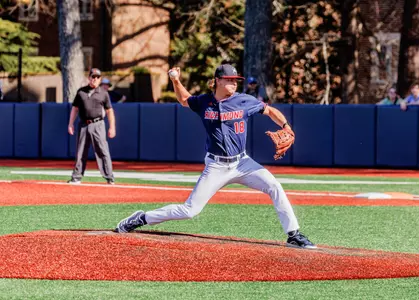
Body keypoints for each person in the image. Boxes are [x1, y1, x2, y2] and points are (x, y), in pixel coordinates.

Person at [115, 64, 316, 249]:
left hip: (243, 163)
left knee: (274, 186)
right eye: (229, 79)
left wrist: (286, 126)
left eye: (235, 80)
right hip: (216, 166)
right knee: (190, 210)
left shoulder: (244, 100)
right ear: (218, 80)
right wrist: (176, 81)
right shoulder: (204, 102)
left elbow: (270, 110)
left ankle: (293, 234)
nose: (233, 83)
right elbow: (184, 100)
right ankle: (142, 218)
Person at [67, 68, 116, 184]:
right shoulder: (81, 92)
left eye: (97, 77)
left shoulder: (103, 93)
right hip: (83, 124)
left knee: (103, 150)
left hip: (98, 124)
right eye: (93, 76)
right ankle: (76, 177)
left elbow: (109, 111)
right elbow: (75, 108)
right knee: (80, 151)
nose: (95, 79)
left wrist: (112, 127)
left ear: (100, 80)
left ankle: (109, 177)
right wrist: (70, 124)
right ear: (89, 78)